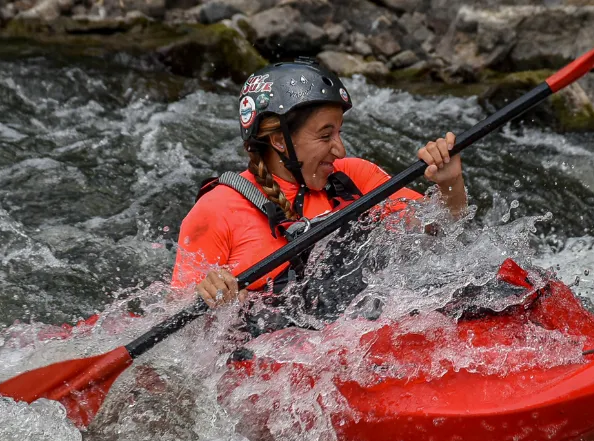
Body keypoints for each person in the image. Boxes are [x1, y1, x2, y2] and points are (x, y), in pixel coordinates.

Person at [172, 58, 467, 308]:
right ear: (278, 141)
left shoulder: (356, 176)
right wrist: (209, 297)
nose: (340, 150)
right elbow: (179, 330)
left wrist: (450, 183)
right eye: (326, 136)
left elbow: (441, 234)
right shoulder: (216, 210)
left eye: (339, 133)